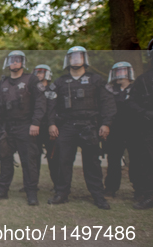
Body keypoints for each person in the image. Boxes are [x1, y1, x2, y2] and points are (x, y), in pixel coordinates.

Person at [46, 46, 116, 209]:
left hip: (90, 126)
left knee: (92, 162)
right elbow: (51, 105)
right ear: (68, 60)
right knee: (63, 161)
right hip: (67, 126)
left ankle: (98, 196)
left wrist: (106, 123)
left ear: (85, 59)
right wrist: (51, 123)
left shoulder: (96, 80)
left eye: (79, 56)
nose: (76, 59)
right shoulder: (60, 82)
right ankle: (62, 193)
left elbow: (108, 102)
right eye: (73, 57)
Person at [0, 50, 45, 206]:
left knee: (28, 161)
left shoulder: (31, 80)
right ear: (8, 63)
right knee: (5, 160)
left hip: (26, 126)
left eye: (18, 60)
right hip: (6, 128)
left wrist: (35, 123)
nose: (14, 63)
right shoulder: (3, 83)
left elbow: (40, 103)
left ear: (22, 63)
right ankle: (2, 191)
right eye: (12, 60)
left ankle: (31, 193)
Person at [125, 38, 153, 209]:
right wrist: (145, 113)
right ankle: (149, 195)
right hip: (148, 128)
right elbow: (131, 103)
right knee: (147, 162)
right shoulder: (143, 80)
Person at [102, 62, 135, 198]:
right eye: (118, 72)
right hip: (115, 130)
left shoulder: (136, 88)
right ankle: (111, 188)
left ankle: (139, 189)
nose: (120, 75)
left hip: (134, 130)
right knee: (113, 161)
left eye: (123, 72)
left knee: (136, 160)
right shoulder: (110, 90)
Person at [32, 64, 60, 191]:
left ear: (47, 74)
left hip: (50, 127)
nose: (38, 74)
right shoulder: (32, 91)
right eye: (36, 72)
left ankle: (57, 184)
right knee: (33, 156)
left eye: (41, 72)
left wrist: (51, 124)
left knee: (53, 157)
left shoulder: (52, 90)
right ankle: (32, 184)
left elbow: (53, 109)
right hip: (35, 127)